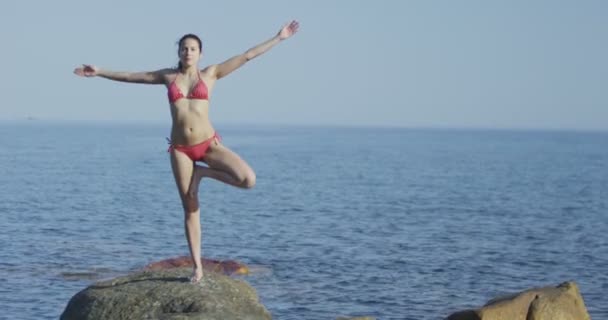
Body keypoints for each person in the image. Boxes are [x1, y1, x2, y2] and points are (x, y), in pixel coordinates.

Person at [74, 20, 299, 283]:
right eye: (184, 48)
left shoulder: (212, 73)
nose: (188, 52)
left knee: (248, 179)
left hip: (209, 145)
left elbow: (247, 56)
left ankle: (203, 174)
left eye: (193, 49)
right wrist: (100, 71)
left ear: (200, 53)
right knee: (190, 208)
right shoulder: (168, 77)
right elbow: (133, 76)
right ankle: (197, 268)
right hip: (181, 150)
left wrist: (278, 38)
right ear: (179, 52)